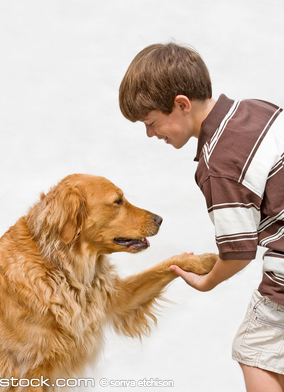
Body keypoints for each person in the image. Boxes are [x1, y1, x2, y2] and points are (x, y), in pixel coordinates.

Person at [119, 42, 284, 392]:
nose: (151, 134)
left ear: (181, 105)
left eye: (151, 123)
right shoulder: (257, 109)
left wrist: (206, 281)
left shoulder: (218, 164)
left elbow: (239, 251)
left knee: (253, 349)